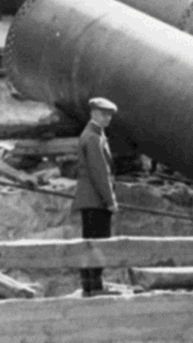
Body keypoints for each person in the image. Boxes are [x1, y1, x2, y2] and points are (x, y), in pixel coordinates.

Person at [73, 97, 119, 297]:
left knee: (90, 242)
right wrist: (110, 201)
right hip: (96, 200)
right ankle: (95, 286)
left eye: (109, 115)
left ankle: (90, 285)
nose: (107, 118)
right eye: (103, 114)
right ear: (93, 114)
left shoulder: (93, 135)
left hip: (90, 199)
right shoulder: (93, 137)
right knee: (98, 242)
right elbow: (100, 173)